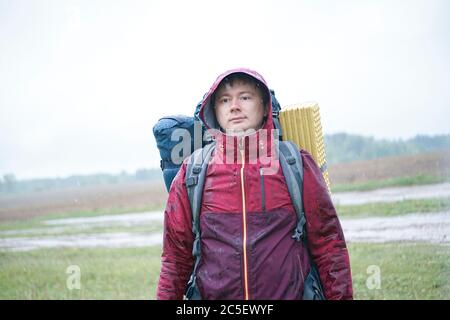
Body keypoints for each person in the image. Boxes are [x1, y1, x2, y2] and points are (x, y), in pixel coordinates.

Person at [156, 68, 353, 300]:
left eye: (245, 97)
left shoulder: (296, 164)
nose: (234, 106)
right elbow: (175, 259)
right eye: (225, 100)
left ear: (265, 106)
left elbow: (329, 247)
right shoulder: (192, 173)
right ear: (214, 112)